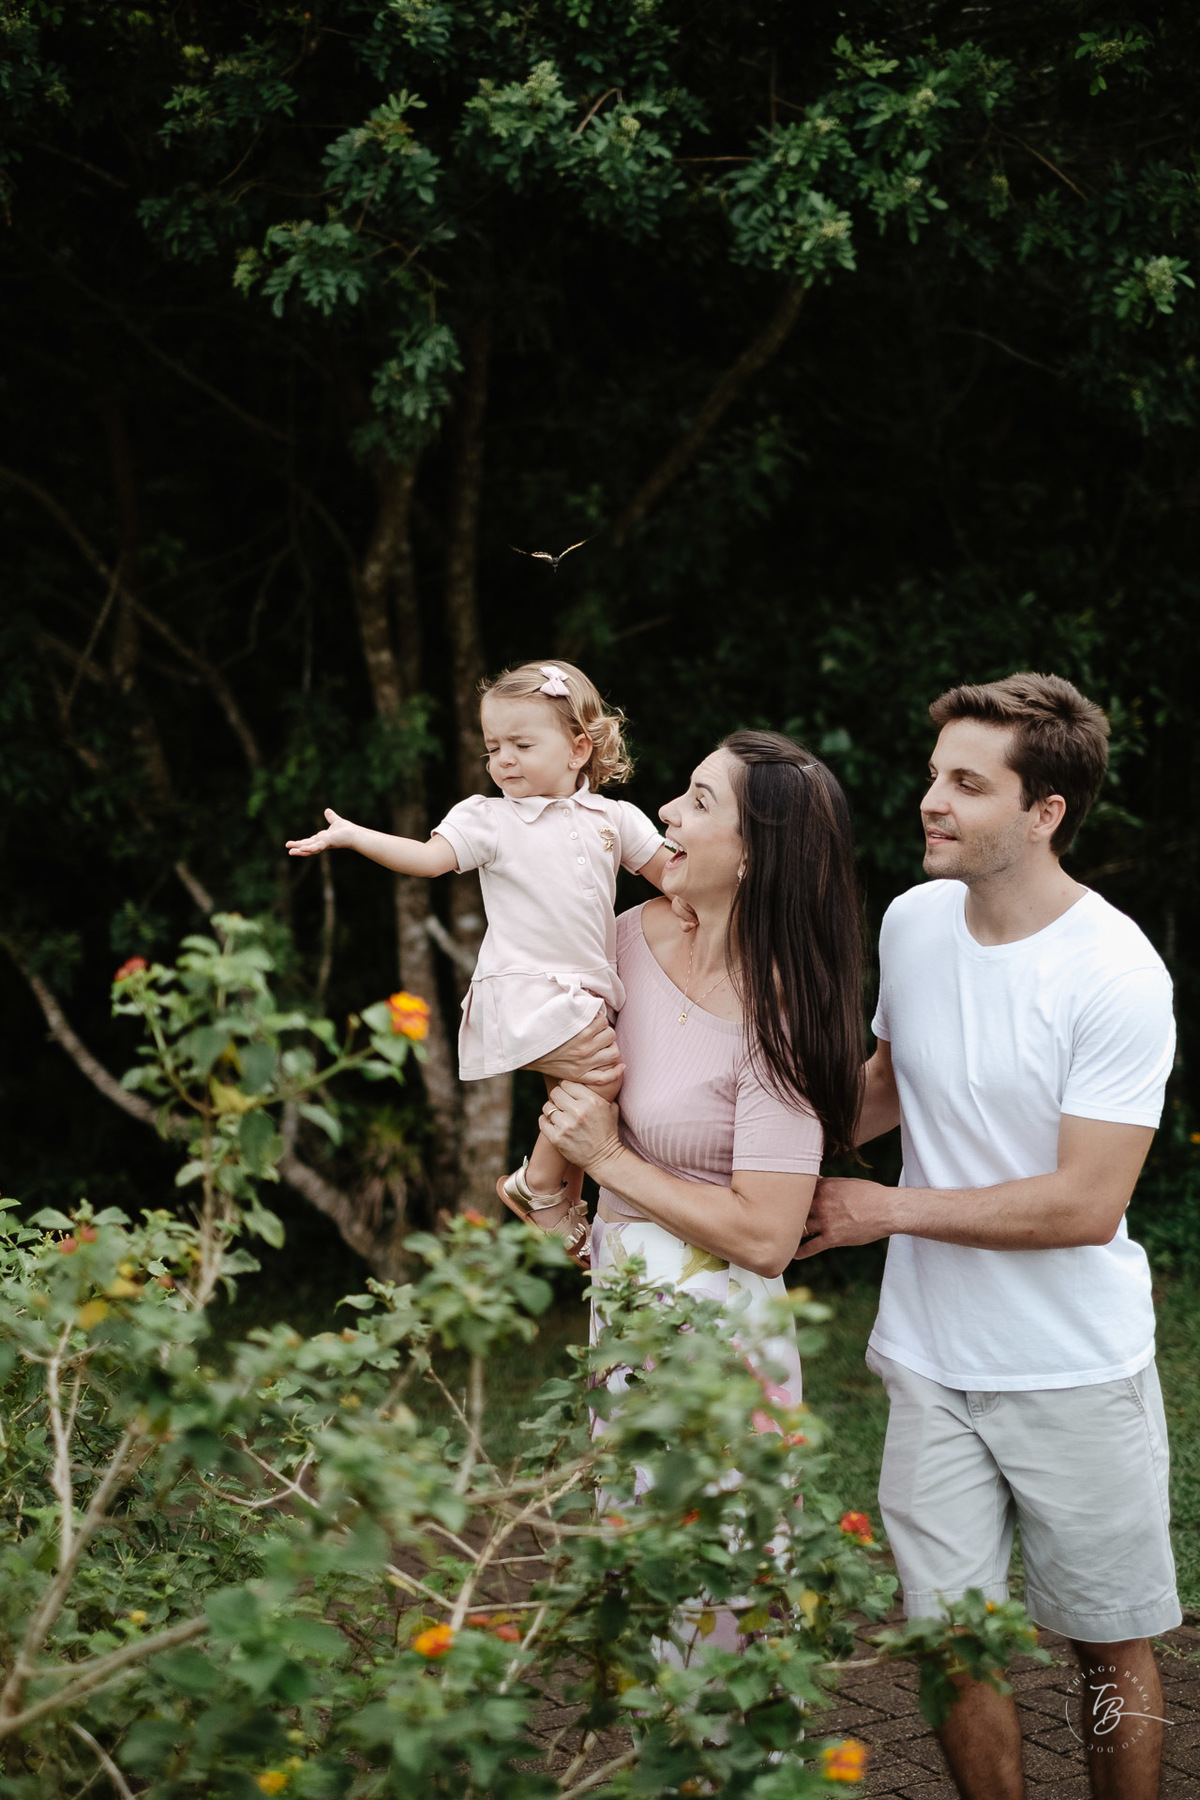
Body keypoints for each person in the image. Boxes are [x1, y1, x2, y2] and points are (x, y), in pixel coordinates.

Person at [798, 673, 1179, 1800]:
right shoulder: (913, 920)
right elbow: (884, 1088)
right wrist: (720, 1156)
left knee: (1107, 1645)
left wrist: (883, 1211)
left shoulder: (1116, 973)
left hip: (1074, 1368)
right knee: (948, 1642)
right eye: (934, 776)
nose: (931, 801)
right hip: (929, 1361)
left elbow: (1085, 1203)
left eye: (967, 784)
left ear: (1044, 811)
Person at [534, 730, 865, 1648]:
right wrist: (556, 1180)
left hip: (720, 1345)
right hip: (621, 1312)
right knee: (636, 1592)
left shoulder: (782, 1017)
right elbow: (576, 1083)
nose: (667, 816)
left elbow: (764, 1235)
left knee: (709, 1615)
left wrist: (607, 1163)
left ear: (756, 855)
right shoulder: (621, 944)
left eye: (698, 801)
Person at [285, 659, 671, 1265]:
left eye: (521, 743)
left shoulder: (614, 818)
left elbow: (668, 872)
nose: (503, 760)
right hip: (526, 988)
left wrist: (718, 878)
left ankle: (565, 1206)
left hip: (587, 991)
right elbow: (425, 859)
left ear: (577, 749)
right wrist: (356, 836)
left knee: (573, 1099)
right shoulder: (489, 819)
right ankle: (535, 1186)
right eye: (493, 747)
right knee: (602, 1077)